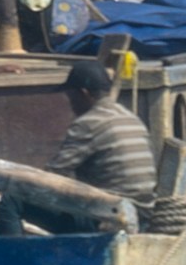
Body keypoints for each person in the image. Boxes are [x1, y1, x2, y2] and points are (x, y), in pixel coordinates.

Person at [46, 54, 160, 216]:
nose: (70, 102)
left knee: (12, 202)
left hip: (111, 211)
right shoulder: (130, 116)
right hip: (144, 208)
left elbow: (54, 174)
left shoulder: (88, 123)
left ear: (83, 93)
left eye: (70, 96)